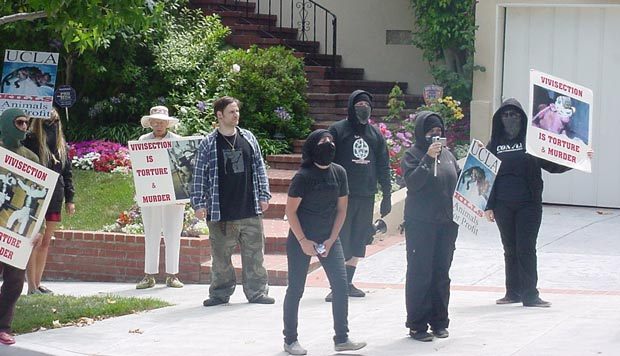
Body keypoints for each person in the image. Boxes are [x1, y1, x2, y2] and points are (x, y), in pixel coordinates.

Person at [484, 98, 593, 308]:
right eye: (505, 114)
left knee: (526, 248)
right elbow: (486, 174)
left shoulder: (533, 141)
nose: (509, 118)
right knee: (510, 248)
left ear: (522, 118)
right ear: (499, 118)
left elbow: (552, 165)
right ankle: (512, 292)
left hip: (528, 205)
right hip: (503, 205)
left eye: (514, 114)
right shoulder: (495, 143)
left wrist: (580, 158)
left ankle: (530, 295)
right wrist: (488, 205)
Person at [282, 129, 367, 355]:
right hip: (301, 239)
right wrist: (303, 241)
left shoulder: (339, 172)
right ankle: (290, 340)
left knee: (340, 286)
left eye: (331, 141)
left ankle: (342, 338)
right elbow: (290, 212)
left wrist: (331, 240)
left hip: (329, 238)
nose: (328, 144)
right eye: (322, 141)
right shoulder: (303, 176)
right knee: (296, 289)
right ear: (312, 147)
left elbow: (342, 210)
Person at [191, 96, 274, 306]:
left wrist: (264, 195)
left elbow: (259, 168)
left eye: (237, 111)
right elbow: (199, 174)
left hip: (249, 208)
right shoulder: (208, 143)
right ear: (219, 115)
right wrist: (199, 204)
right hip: (221, 212)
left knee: (255, 255)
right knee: (220, 258)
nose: (236, 115)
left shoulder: (248, 138)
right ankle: (219, 294)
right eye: (231, 112)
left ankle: (257, 292)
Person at [327, 90, 392, 301]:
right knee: (339, 239)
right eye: (359, 103)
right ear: (351, 106)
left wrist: (387, 195)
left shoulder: (375, 135)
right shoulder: (338, 131)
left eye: (366, 104)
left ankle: (347, 283)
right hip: (342, 196)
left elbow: (383, 164)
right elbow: (325, 161)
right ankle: (336, 285)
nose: (363, 107)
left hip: (366, 195)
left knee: (359, 239)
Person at [400, 111, 460, 341]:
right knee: (420, 273)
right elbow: (413, 183)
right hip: (421, 223)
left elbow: (460, 180)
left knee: (441, 272)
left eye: (439, 132)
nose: (435, 137)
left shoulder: (449, 156)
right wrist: (427, 158)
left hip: (446, 223)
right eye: (430, 132)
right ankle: (417, 324)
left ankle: (439, 321)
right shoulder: (413, 155)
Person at [0, 108, 42, 346]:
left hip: (19, 230)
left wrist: (40, 228)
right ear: (6, 123)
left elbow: (40, 197)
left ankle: (3, 326)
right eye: (19, 123)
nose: (24, 127)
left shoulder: (31, 158)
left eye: (26, 123)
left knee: (16, 280)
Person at [23, 108, 75, 295]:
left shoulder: (62, 146)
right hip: (35, 194)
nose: (52, 125)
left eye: (55, 122)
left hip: (55, 194)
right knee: (34, 240)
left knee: (45, 241)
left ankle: (38, 282)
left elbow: (67, 172)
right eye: (48, 122)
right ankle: (31, 286)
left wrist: (70, 199)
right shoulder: (30, 141)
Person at [134, 106, 185, 289]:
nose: (158, 125)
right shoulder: (143, 141)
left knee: (173, 233)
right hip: (151, 193)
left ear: (167, 123)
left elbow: (183, 169)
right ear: (150, 123)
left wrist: (183, 194)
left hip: (173, 194)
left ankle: (172, 275)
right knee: (151, 232)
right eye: (155, 122)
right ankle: (149, 275)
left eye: (161, 122)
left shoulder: (177, 141)